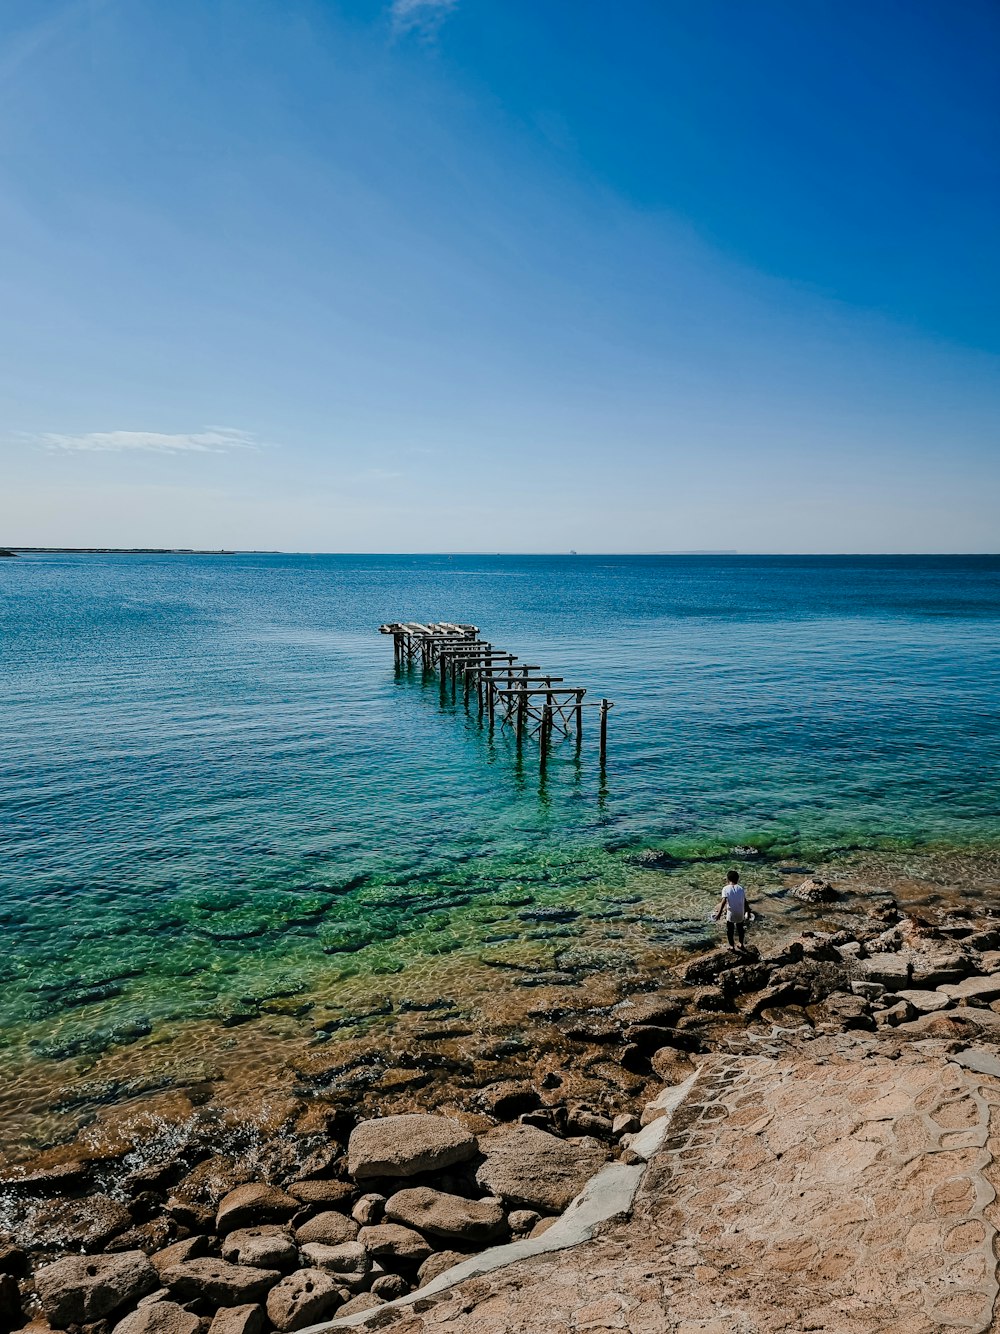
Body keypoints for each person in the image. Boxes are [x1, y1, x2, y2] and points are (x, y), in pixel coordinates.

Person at [714, 869, 750, 951]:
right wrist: (748, 911)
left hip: (731, 913)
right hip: (740, 912)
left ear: (727, 879)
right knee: (740, 929)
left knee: (730, 930)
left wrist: (719, 913)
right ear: (737, 879)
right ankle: (741, 943)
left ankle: (731, 945)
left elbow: (723, 902)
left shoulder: (725, 888)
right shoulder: (741, 888)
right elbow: (745, 901)